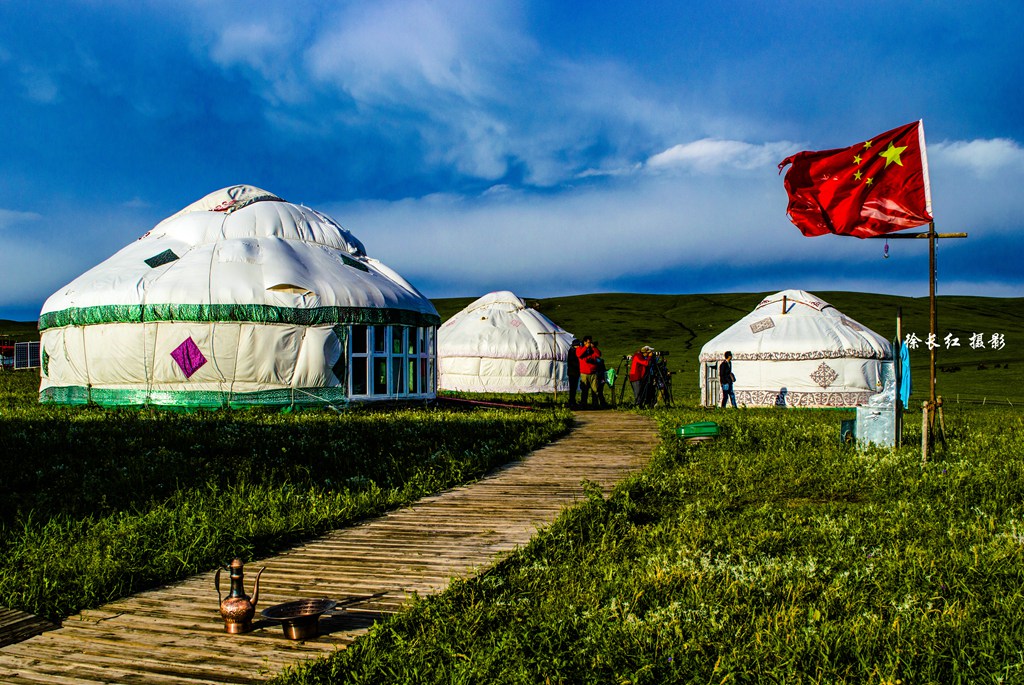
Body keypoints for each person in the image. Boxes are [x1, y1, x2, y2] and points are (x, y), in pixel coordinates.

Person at [576, 335, 604, 408]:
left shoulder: (592, 349)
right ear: (584, 342)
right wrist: (586, 347)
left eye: (590, 342)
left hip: (593, 373)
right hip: (584, 373)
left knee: (595, 390)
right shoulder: (580, 348)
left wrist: (593, 347)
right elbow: (579, 354)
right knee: (584, 390)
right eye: (588, 342)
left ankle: (595, 405)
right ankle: (584, 404)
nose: (589, 343)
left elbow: (598, 354)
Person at [567, 338, 581, 408]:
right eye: (577, 345)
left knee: (573, 388)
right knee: (573, 388)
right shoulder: (572, 351)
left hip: (573, 372)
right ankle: (572, 401)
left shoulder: (572, 350)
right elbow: (573, 362)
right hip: (573, 372)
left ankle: (572, 400)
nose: (579, 346)